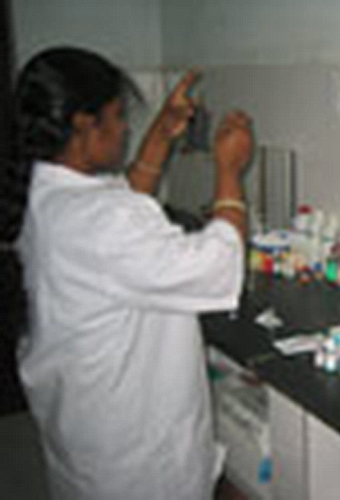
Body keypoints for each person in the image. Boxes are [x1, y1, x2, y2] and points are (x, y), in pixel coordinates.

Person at [12, 46, 252, 499]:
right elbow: (217, 264)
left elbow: (124, 202)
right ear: (83, 124)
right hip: (135, 457)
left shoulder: (44, 193)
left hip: (84, 428)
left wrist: (162, 133)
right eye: (118, 116)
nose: (125, 129)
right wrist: (229, 170)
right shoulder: (102, 221)